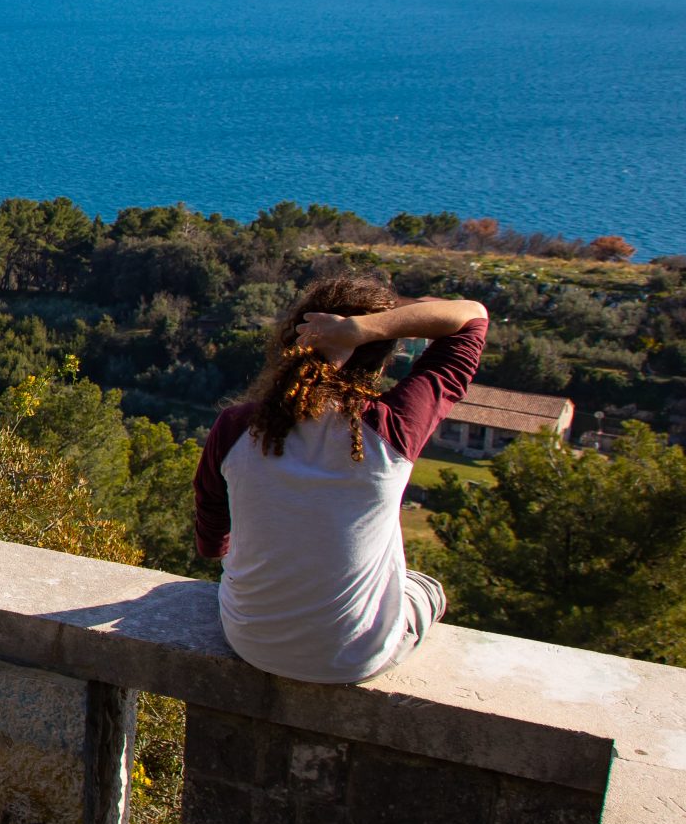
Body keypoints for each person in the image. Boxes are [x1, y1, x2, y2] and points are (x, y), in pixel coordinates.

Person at [193, 277, 489, 685]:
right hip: (354, 659)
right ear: (382, 358)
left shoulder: (237, 426)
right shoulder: (392, 429)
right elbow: (472, 316)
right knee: (425, 587)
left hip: (248, 639)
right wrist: (363, 329)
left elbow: (211, 522)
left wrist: (219, 548)